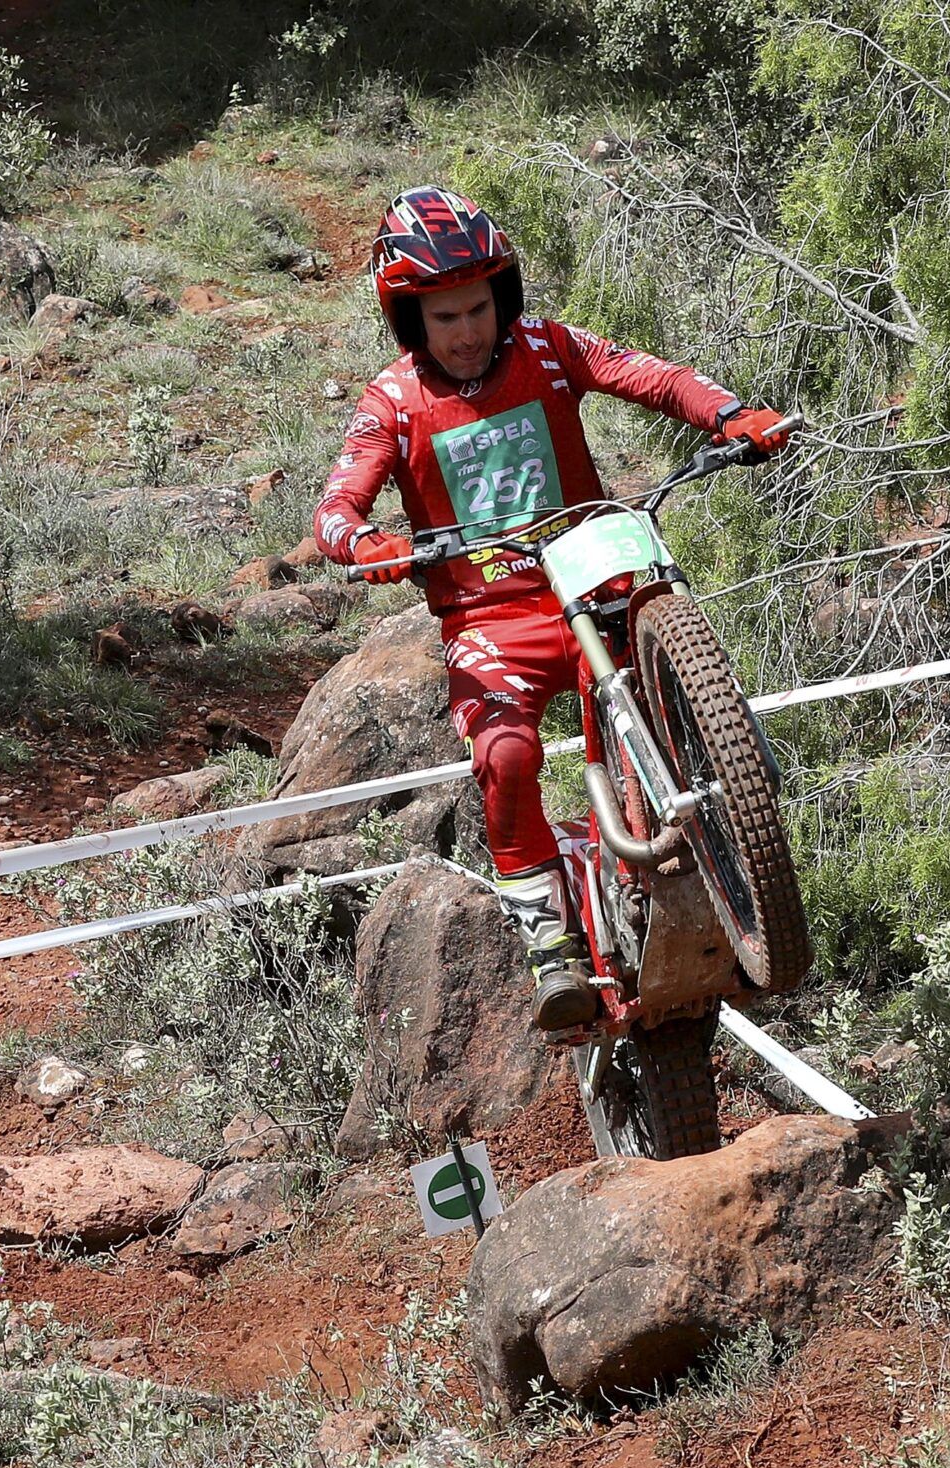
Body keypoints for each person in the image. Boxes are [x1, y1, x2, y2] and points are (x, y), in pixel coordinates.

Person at [312, 187, 791, 1031]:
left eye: (478, 307)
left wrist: (727, 413)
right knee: (503, 756)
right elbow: (335, 507)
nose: (466, 330)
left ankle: (736, 814)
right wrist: (365, 542)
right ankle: (547, 938)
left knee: (674, 656)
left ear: (505, 297)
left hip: (592, 573)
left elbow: (645, 374)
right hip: (489, 615)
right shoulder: (390, 402)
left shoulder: (546, 345)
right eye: (443, 316)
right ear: (408, 320)